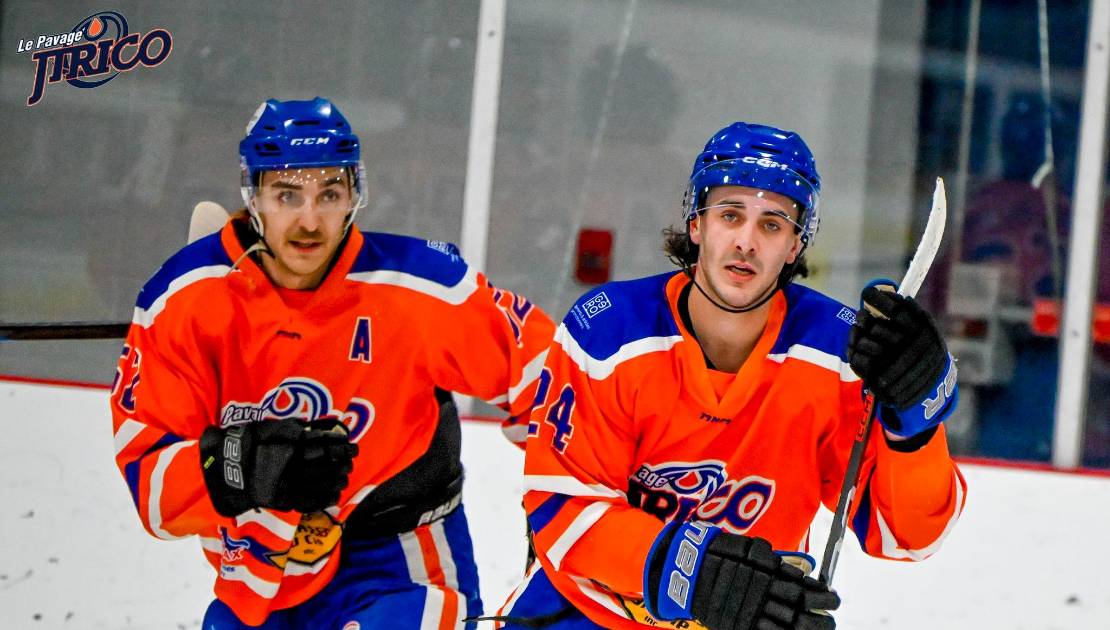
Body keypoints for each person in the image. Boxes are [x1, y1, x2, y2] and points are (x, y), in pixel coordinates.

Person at [490, 122, 967, 629]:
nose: (746, 241)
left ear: (795, 246)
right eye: (730, 215)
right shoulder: (609, 334)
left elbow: (908, 537)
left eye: (772, 224)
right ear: (697, 225)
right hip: (584, 616)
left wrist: (914, 428)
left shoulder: (836, 359)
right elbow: (562, 515)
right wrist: (695, 574)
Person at [109, 97, 554, 628]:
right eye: (287, 194)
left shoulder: (416, 288)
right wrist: (245, 464)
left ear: (354, 197)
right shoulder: (182, 301)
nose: (310, 219)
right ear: (253, 197)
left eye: (330, 193)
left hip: (400, 562)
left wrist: (561, 504)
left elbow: (556, 377)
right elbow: (153, 491)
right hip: (259, 569)